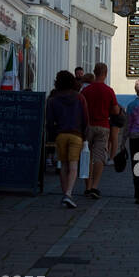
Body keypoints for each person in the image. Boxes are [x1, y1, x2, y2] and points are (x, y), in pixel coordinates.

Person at [46, 70, 90, 208]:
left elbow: (50, 120)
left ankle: (65, 193)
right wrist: (85, 136)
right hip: (76, 135)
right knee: (73, 166)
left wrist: (52, 135)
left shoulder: (53, 99)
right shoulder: (79, 98)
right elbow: (85, 118)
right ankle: (69, 194)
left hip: (60, 135)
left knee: (63, 165)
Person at [80, 62, 120, 200]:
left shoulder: (85, 90)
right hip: (103, 126)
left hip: (88, 126)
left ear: (94, 72)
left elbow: (81, 107)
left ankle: (87, 186)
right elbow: (115, 110)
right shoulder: (108, 90)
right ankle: (95, 187)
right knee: (99, 157)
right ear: (105, 73)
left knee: (87, 156)